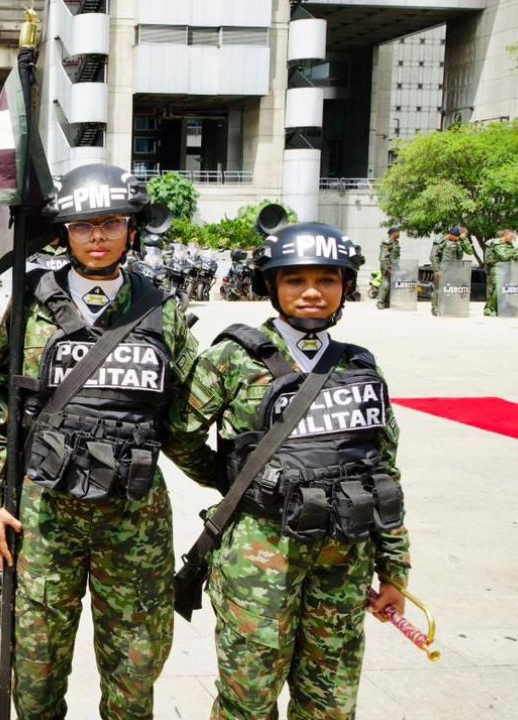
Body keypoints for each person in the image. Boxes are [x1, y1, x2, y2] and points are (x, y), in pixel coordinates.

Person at [0, 163, 200, 719]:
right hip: (45, 515)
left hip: (136, 518)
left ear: (131, 229)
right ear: (63, 233)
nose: (97, 237)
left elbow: (184, 418)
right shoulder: (28, 309)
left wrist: (238, 481)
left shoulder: (163, 312)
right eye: (83, 226)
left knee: (134, 667)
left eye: (110, 223)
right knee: (36, 667)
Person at [166, 220, 411, 719]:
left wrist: (395, 572)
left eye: (327, 280)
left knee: (331, 704)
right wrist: (233, 481)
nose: (313, 293)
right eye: (295, 280)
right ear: (271, 286)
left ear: (345, 286)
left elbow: (384, 473)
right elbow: (179, 432)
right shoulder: (232, 358)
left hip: (343, 562)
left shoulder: (360, 366)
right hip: (260, 561)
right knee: (248, 704)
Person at [430, 225, 467, 315]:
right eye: (457, 237)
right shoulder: (441, 241)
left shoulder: (456, 242)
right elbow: (432, 257)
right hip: (442, 270)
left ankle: (448, 307)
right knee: (438, 289)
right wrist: (437, 270)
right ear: (452, 234)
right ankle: (435, 308)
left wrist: (461, 246)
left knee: (450, 289)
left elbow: (459, 257)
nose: (457, 239)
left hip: (452, 270)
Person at [484, 229, 517, 316]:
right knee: (498, 288)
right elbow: (504, 256)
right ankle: (490, 308)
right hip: (497, 268)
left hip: (507, 268)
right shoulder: (496, 243)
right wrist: (514, 251)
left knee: (504, 289)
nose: (512, 239)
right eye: (511, 236)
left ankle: (499, 306)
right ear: (505, 235)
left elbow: (513, 256)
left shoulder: (509, 244)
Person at [376, 225, 400, 309]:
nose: (399, 234)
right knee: (385, 284)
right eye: (398, 232)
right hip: (386, 266)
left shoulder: (396, 243)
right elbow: (383, 257)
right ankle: (380, 302)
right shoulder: (387, 242)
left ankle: (386, 302)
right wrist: (387, 268)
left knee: (390, 285)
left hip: (393, 266)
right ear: (393, 233)